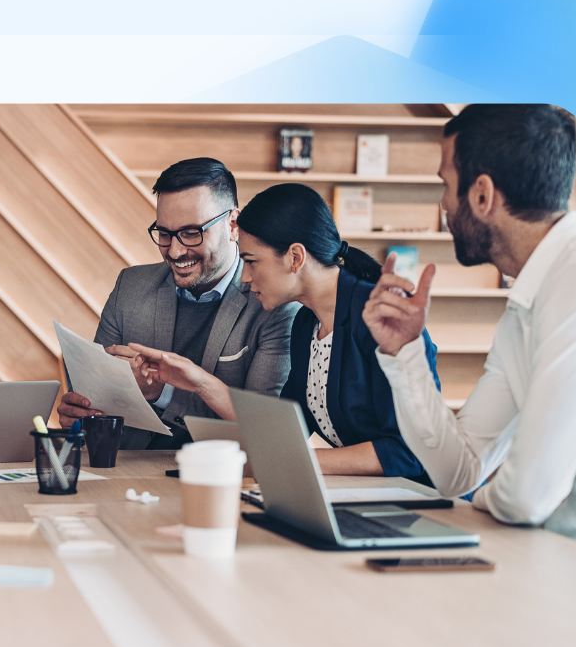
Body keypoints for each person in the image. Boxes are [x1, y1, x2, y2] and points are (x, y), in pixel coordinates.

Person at [362, 104, 576, 543]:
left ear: (482, 195)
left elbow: (525, 497)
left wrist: (483, 499)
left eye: (446, 185)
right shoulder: (528, 300)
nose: (444, 204)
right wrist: (404, 352)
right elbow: (459, 472)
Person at [131, 182, 441, 481]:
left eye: (251, 262)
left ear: (295, 258)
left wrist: (290, 461)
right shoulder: (306, 323)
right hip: (371, 496)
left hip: (427, 504)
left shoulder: (378, 320)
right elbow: (285, 425)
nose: (246, 277)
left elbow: (407, 452)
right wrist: (197, 382)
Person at [57, 158, 297, 448]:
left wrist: (163, 392)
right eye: (164, 234)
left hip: (220, 474)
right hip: (127, 470)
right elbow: (99, 395)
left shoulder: (274, 303)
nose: (175, 250)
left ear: (233, 224)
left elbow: (264, 426)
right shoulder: (130, 287)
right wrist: (82, 411)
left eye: (191, 233)